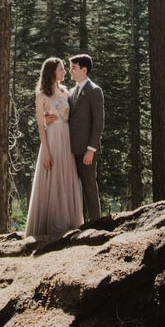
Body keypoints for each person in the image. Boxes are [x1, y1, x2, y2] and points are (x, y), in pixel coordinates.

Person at [24, 57, 83, 238]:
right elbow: (40, 125)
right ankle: (51, 224)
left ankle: (69, 222)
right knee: (52, 177)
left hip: (66, 139)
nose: (64, 72)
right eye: (61, 69)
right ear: (51, 72)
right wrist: (46, 152)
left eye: (64, 69)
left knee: (66, 177)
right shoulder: (41, 95)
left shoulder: (66, 92)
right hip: (51, 139)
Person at [67, 53, 104, 222]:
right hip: (71, 149)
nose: (70, 71)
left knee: (89, 186)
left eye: (73, 67)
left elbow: (98, 123)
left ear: (84, 69)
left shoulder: (94, 91)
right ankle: (79, 223)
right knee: (75, 189)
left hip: (87, 150)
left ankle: (97, 223)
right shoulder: (71, 92)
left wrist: (91, 149)